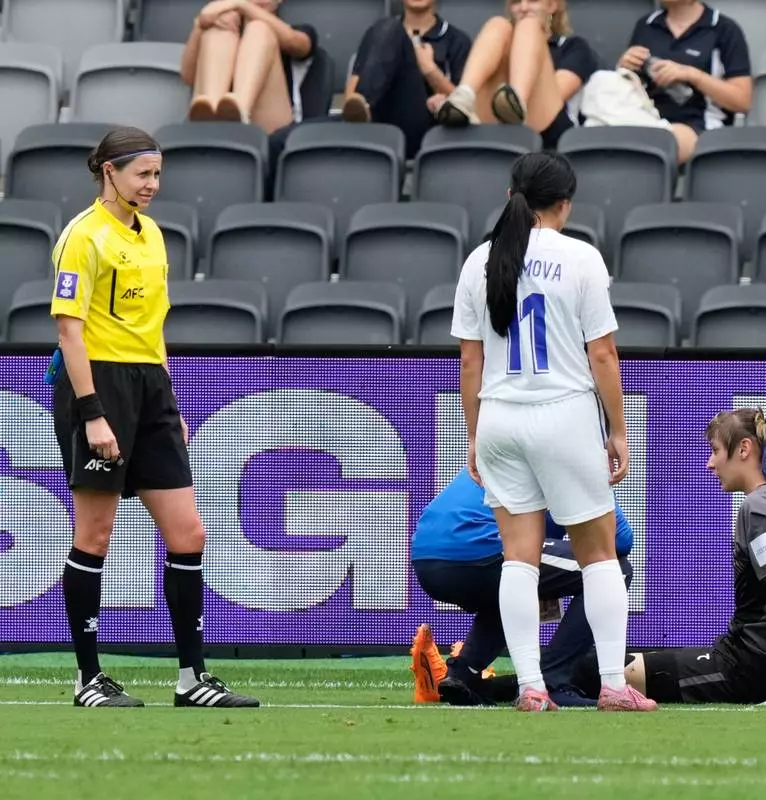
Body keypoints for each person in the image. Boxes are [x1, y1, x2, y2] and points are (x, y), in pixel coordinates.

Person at [49, 127, 258, 709]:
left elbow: (154, 328)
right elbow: (70, 329)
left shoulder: (156, 236)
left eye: (157, 175)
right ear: (108, 171)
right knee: (95, 533)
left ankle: (192, 679)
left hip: (149, 387)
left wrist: (170, 402)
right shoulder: (82, 237)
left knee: (189, 532)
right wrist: (94, 414)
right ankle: (88, 679)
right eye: (142, 174)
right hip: (101, 384)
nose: (152, 185)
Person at [450, 151, 655, 712]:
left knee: (519, 557)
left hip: (500, 416)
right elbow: (604, 355)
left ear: (510, 192)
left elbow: (470, 364)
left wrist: (473, 434)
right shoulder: (580, 258)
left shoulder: (480, 262)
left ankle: (531, 687)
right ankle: (614, 684)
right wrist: (617, 429)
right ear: (564, 203)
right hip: (563, 414)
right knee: (600, 554)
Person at [574, 412, 766, 706]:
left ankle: (526, 685)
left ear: (744, 449)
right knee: (614, 663)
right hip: (764, 662)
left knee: (590, 669)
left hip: (748, 667)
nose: (709, 463)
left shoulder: (759, 506)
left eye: (715, 451)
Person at [408, 467, 635, 707]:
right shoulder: (566, 451)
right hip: (478, 548)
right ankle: (552, 681)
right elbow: (619, 539)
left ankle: (463, 674)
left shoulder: (508, 438)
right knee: (614, 570)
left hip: (426, 560)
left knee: (513, 585)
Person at [436, 0, 599, 150]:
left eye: (533, 0)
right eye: (516, 2)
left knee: (528, 25)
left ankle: (515, 101)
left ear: (552, 5)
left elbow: (560, 91)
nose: (524, 7)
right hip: (496, 125)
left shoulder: (572, 47)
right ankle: (463, 96)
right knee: (497, 24)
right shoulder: (497, 44)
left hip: (548, 132)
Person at [618, 0, 753, 164]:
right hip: (646, 118)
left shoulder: (724, 29)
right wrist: (625, 65)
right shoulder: (646, 25)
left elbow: (742, 101)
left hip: (699, 125)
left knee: (657, 143)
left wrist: (692, 75)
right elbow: (630, 85)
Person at [337, 0, 473, 159]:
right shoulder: (380, 33)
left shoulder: (457, 41)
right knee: (389, 28)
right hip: (377, 119)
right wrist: (356, 105)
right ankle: (365, 109)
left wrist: (430, 69)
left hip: (426, 130)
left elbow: (465, 107)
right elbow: (351, 95)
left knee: (392, 29)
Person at [181, 0, 318, 133]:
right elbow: (188, 76)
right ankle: (213, 113)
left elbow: (297, 43)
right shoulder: (220, 29)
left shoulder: (295, 31)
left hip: (269, 131)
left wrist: (242, 5)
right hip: (210, 128)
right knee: (218, 31)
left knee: (259, 28)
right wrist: (202, 23)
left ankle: (240, 111)